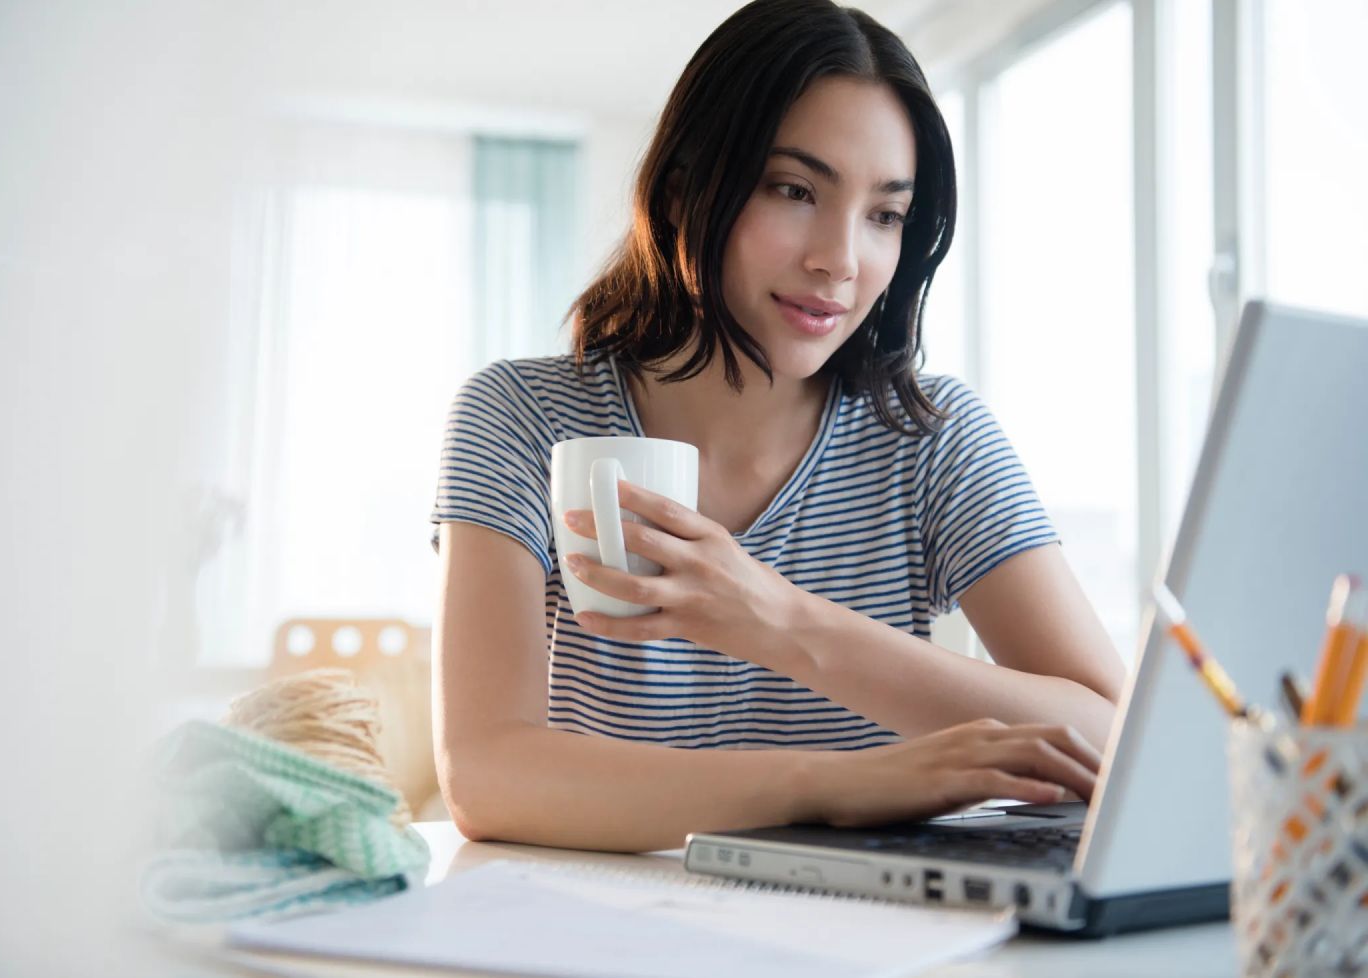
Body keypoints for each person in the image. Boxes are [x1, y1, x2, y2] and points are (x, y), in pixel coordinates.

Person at [430, 0, 1126, 853]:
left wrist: (778, 621)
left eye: (885, 214)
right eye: (794, 190)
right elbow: (489, 776)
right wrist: (830, 787)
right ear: (685, 192)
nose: (839, 258)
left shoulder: (932, 441)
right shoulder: (521, 419)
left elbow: (1112, 735)